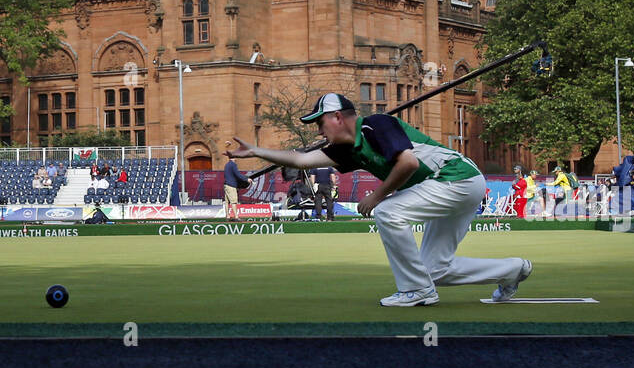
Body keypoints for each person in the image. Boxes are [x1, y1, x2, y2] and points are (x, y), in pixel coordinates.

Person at [227, 93, 531, 307]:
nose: (319, 130)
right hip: (456, 186)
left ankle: (415, 290)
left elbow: (408, 163)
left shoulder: (376, 124)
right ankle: (512, 270)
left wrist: (377, 195)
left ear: (337, 117)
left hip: (456, 178)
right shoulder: (347, 149)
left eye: (320, 123)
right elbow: (301, 159)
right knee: (434, 269)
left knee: (387, 212)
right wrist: (255, 151)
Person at [222, 155, 251, 219]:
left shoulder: (227, 164)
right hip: (231, 186)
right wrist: (246, 179)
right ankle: (236, 216)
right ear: (234, 158)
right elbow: (237, 174)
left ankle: (227, 216)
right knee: (234, 201)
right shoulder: (233, 164)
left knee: (227, 202)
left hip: (226, 185)